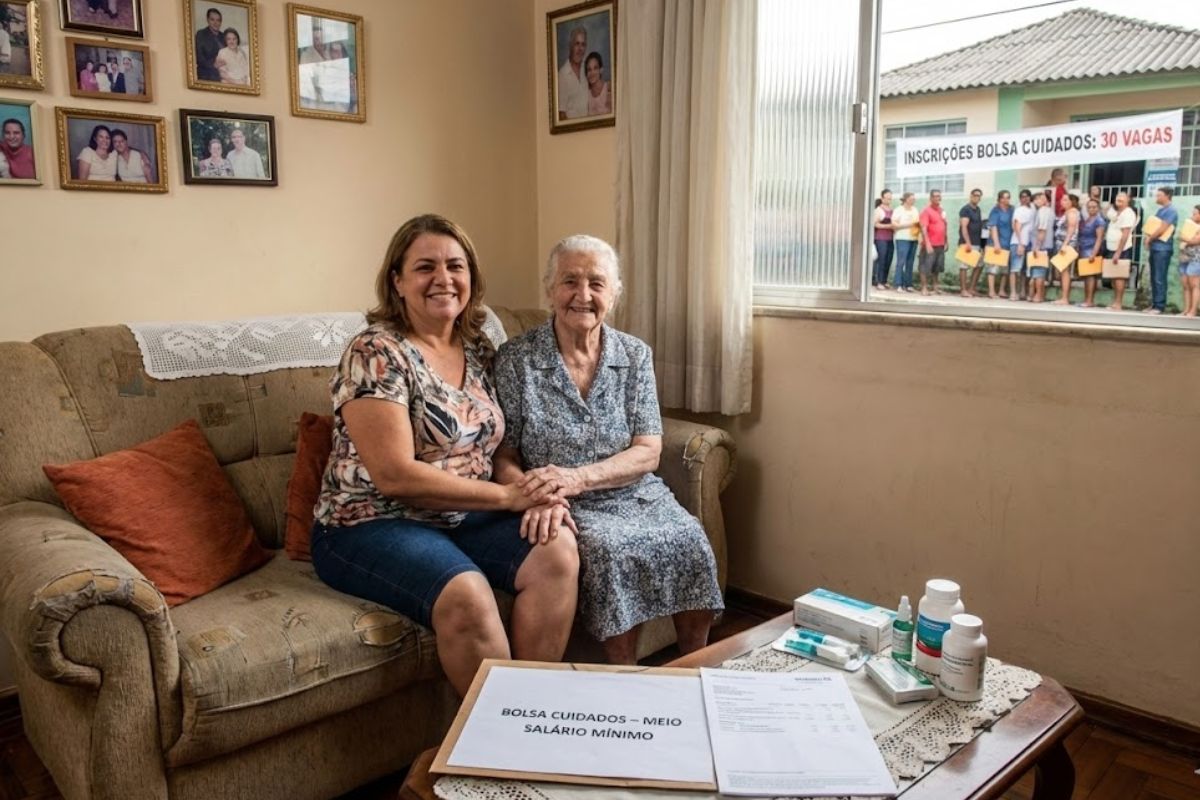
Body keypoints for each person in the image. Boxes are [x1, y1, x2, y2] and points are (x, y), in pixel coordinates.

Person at [310, 214, 580, 697]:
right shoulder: (375, 351)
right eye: (425, 267)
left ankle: (534, 713)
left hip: (461, 515)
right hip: (369, 522)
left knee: (556, 551)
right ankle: (505, 736)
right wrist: (508, 498)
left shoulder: (478, 347)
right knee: (468, 594)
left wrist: (540, 493)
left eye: (456, 266)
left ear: (470, 277)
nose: (443, 278)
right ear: (397, 281)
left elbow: (498, 446)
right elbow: (395, 475)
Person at [494, 235, 723, 665]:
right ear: (549, 289)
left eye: (596, 283)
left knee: (691, 538)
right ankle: (623, 676)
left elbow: (648, 450)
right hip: (562, 502)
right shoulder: (516, 359)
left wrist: (578, 476)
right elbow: (503, 454)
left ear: (614, 294)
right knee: (611, 550)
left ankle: (694, 668)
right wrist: (536, 495)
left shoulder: (634, 355)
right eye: (570, 281)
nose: (583, 295)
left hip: (633, 491)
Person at [1144, 187, 1178, 315]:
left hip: (1163, 248)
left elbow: (1162, 228)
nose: (1157, 197)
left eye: (1159, 195)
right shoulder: (1160, 210)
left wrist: (1149, 239)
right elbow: (1153, 226)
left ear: (1167, 196)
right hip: (1155, 247)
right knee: (1154, 277)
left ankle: (1159, 306)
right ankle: (1154, 304)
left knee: (1159, 277)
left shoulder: (1171, 210)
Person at [1104, 192, 1137, 310]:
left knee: (1119, 276)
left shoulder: (1128, 213)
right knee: (1113, 276)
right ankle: (1115, 302)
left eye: (1122, 197)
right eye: (1117, 196)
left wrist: (1118, 252)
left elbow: (1125, 234)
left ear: (1128, 200)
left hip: (1121, 249)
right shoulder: (1115, 212)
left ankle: (1118, 303)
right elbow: (1106, 213)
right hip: (1111, 247)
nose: (1119, 198)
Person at [1052, 191, 1080, 305]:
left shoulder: (1072, 212)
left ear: (1071, 202)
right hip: (1062, 243)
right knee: (1062, 269)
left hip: (1067, 244)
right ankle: (1063, 296)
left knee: (1065, 270)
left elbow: (1071, 228)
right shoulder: (1067, 212)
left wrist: (1065, 244)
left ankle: (1065, 298)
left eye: (1065, 200)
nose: (1061, 202)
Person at [1077, 198, 1106, 308]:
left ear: (1098, 208)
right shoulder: (1088, 219)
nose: (1091, 209)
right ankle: (1086, 299)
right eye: (1089, 207)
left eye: (1094, 207)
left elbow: (1099, 238)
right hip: (1084, 249)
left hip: (1091, 249)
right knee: (1086, 276)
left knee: (1091, 276)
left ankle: (1089, 300)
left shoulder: (1099, 221)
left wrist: (1094, 253)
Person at [985, 190, 1014, 299]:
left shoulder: (1011, 210)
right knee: (993, 268)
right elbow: (993, 227)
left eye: (1008, 197)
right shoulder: (995, 211)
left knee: (1005, 270)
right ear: (999, 199)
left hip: (1007, 243)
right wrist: (996, 243)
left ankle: (1002, 290)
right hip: (996, 243)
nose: (1006, 200)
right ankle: (991, 291)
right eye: (1003, 197)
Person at [918, 189, 947, 295]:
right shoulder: (926, 211)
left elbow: (944, 226)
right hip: (930, 244)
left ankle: (935, 287)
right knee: (925, 266)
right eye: (935, 196)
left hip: (940, 244)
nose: (938, 198)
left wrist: (946, 241)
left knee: (937, 267)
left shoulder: (941, 210)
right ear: (930, 198)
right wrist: (927, 243)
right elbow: (923, 228)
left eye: (939, 196)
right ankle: (924, 288)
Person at [1027, 192, 1054, 303]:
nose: (1037, 201)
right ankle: (1039, 295)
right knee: (1040, 272)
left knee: (1038, 273)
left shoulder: (1043, 211)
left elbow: (1042, 229)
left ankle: (1037, 295)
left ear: (1045, 200)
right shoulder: (1049, 211)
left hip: (1041, 246)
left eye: (1040, 198)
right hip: (1046, 245)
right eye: (1036, 199)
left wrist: (1037, 247)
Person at [557, 26, 589, 120]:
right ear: (570, 46)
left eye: (583, 44)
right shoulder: (562, 75)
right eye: (577, 44)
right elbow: (561, 114)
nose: (580, 49)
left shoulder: (587, 68)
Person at [1009, 189, 1035, 301]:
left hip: (1028, 243)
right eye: (1022, 197)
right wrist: (1020, 243)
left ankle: (1023, 292)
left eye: (1027, 196)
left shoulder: (1032, 209)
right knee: (1015, 269)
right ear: (1020, 199)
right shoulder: (1020, 210)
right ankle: (1013, 292)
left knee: (1024, 270)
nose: (1025, 199)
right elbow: (1016, 226)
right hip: (1018, 242)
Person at [957, 188, 984, 297]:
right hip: (966, 243)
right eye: (975, 195)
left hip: (977, 242)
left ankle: (972, 288)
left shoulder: (978, 209)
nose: (977, 197)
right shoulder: (965, 209)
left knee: (979, 265)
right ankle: (963, 290)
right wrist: (967, 243)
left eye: (979, 196)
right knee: (964, 266)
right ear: (971, 196)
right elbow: (964, 227)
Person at [892, 192, 919, 292]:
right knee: (901, 261)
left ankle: (908, 284)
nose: (913, 200)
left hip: (913, 238)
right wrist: (908, 225)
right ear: (906, 199)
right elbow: (894, 224)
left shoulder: (915, 210)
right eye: (911, 199)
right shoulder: (898, 210)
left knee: (910, 262)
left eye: (914, 199)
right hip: (902, 238)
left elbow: (917, 223)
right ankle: (898, 283)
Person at [1178, 205, 1200, 317]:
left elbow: (1195, 241)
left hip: (1196, 258)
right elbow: (1180, 235)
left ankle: (1193, 310)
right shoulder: (1189, 225)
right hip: (1184, 256)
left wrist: (1185, 238)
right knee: (1185, 284)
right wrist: (1186, 238)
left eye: (1195, 214)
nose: (1193, 216)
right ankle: (1186, 309)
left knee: (1194, 284)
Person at [194, 7, 225, 82]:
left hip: (224, 75)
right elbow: (198, 57)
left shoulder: (224, 36)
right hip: (207, 76)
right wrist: (213, 65)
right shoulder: (201, 34)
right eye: (212, 20)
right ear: (208, 20)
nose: (215, 23)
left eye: (218, 20)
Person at [872, 189, 894, 290]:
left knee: (888, 259)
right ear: (882, 198)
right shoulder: (878, 210)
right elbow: (875, 224)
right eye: (887, 198)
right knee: (882, 259)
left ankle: (884, 280)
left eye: (890, 198)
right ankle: (879, 281)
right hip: (880, 238)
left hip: (890, 238)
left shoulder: (892, 210)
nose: (889, 200)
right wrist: (888, 226)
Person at [584, 51, 611, 116]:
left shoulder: (609, 88)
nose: (592, 73)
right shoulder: (586, 95)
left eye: (595, 68)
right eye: (589, 69)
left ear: (601, 70)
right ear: (586, 74)